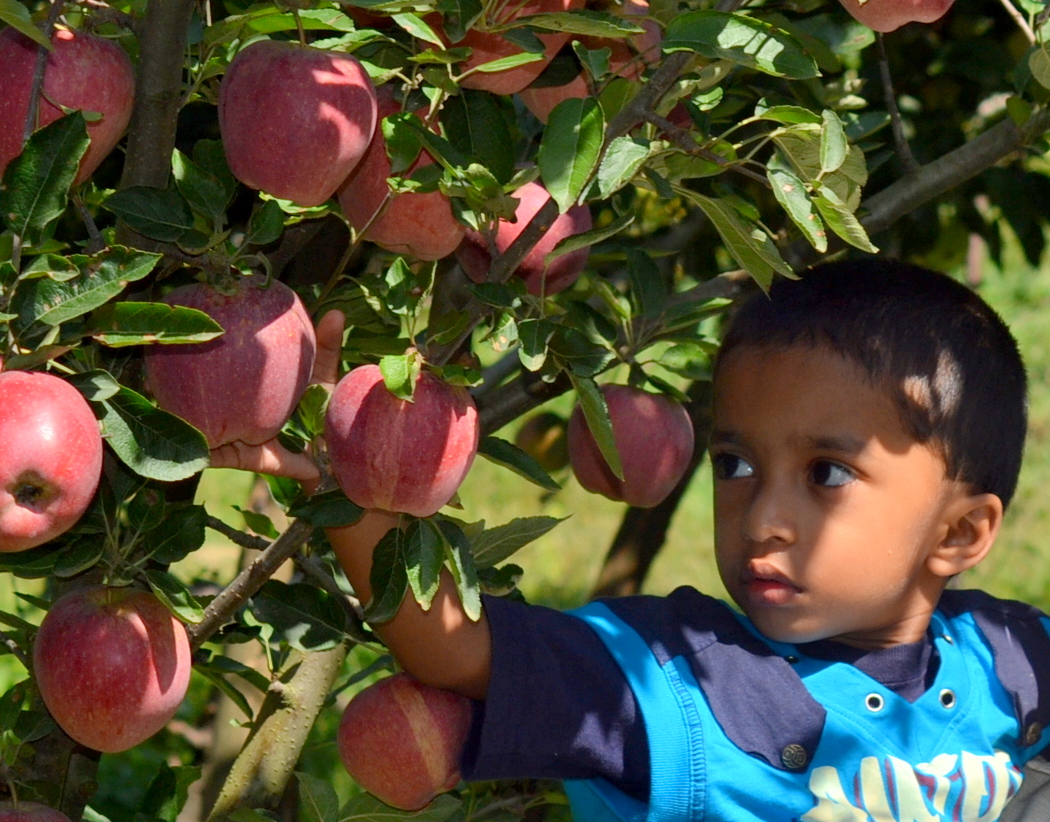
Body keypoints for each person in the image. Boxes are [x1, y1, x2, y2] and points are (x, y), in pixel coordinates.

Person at [213, 258, 1050, 821]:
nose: (761, 518)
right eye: (734, 464)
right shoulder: (674, 682)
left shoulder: (1004, 660)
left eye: (827, 474)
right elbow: (457, 650)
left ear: (960, 532)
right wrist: (348, 483)